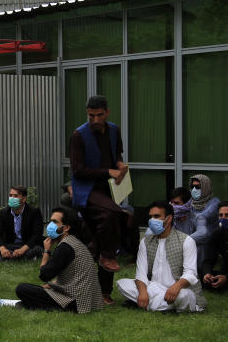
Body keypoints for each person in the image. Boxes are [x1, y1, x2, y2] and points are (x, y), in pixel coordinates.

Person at [68, 95, 128, 272]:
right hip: (86, 190)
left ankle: (97, 257)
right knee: (112, 214)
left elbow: (116, 155)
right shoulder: (78, 135)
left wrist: (119, 165)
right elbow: (77, 170)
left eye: (100, 115)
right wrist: (108, 171)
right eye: (91, 116)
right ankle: (107, 255)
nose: (95, 120)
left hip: (108, 189)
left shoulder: (114, 131)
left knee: (118, 219)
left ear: (107, 112)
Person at [116, 200, 205, 312]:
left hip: (178, 289)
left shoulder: (186, 240)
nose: (152, 220)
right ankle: (166, 306)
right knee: (123, 284)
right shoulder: (146, 242)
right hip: (154, 288)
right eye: (151, 216)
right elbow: (141, 274)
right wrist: (143, 293)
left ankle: (151, 305)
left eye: (157, 216)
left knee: (184, 296)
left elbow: (191, 274)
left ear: (169, 219)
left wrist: (176, 287)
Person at [12, 207, 104, 313]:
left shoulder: (65, 247)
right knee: (45, 288)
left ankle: (37, 305)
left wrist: (46, 251)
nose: (50, 225)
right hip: (87, 300)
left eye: (55, 222)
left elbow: (44, 275)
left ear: (66, 228)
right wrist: (53, 285)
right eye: (51, 221)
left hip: (74, 302)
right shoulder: (74, 242)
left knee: (22, 289)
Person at [0, 186, 44, 262]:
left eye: (15, 196)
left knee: (37, 249)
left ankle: (5, 259)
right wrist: (2, 249)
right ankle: (26, 258)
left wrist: (23, 249)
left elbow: (37, 234)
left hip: (27, 245)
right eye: (10, 195)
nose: (12, 198)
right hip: (11, 244)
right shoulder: (4, 212)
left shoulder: (34, 212)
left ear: (24, 199)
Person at [187, 174, 220, 271]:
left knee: (200, 245)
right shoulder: (190, 202)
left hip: (209, 239)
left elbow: (203, 216)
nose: (194, 189)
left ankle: (200, 273)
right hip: (192, 236)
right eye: (192, 186)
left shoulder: (214, 202)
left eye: (198, 187)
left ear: (205, 187)